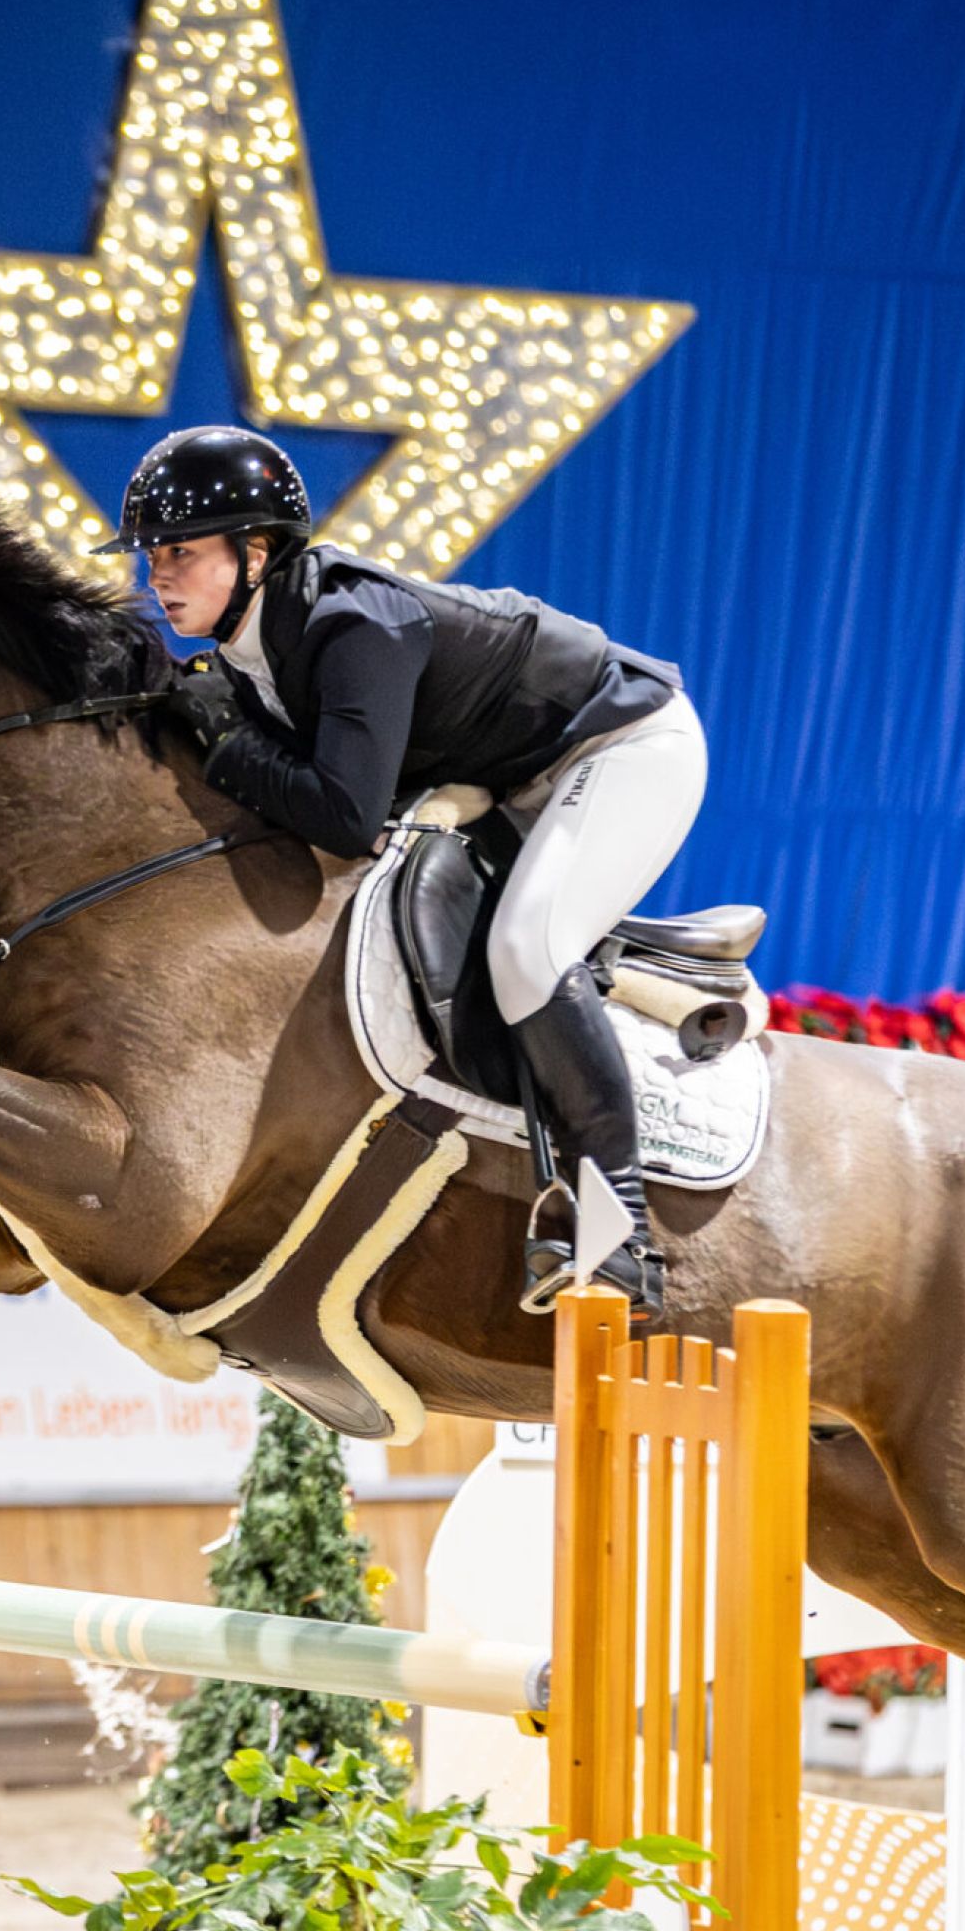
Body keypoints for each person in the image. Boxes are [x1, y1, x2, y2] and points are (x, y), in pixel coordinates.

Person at [104, 424, 706, 1321]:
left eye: (180, 552)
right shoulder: (247, 648)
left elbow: (345, 818)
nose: (157, 574)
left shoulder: (353, 624)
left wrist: (224, 742)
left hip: (624, 746)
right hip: (514, 776)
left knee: (526, 949)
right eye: (152, 555)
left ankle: (620, 1232)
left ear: (256, 553)